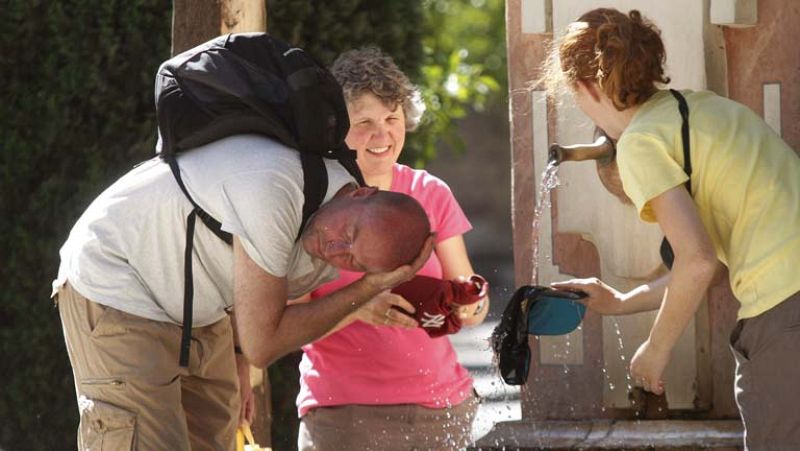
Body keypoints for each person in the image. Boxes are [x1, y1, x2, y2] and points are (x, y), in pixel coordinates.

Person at [53, 129, 433, 448]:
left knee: (215, 438)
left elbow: (255, 310)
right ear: (359, 193)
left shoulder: (328, 231)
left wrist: (236, 356)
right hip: (118, 280)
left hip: (199, 306)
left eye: (355, 261)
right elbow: (264, 343)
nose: (334, 250)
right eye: (348, 234)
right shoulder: (275, 190)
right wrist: (370, 286)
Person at [542, 8, 800, 450]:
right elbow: (710, 263)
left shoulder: (641, 143)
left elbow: (696, 262)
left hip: (784, 307)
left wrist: (655, 349)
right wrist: (624, 302)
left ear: (583, 86)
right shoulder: (699, 108)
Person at [291, 47, 489, 450]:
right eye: (364, 122)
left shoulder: (431, 192)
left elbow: (470, 301)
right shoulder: (307, 203)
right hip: (342, 416)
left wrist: (468, 304)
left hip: (441, 408)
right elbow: (285, 321)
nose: (382, 135)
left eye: (391, 118)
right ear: (334, 128)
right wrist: (358, 306)